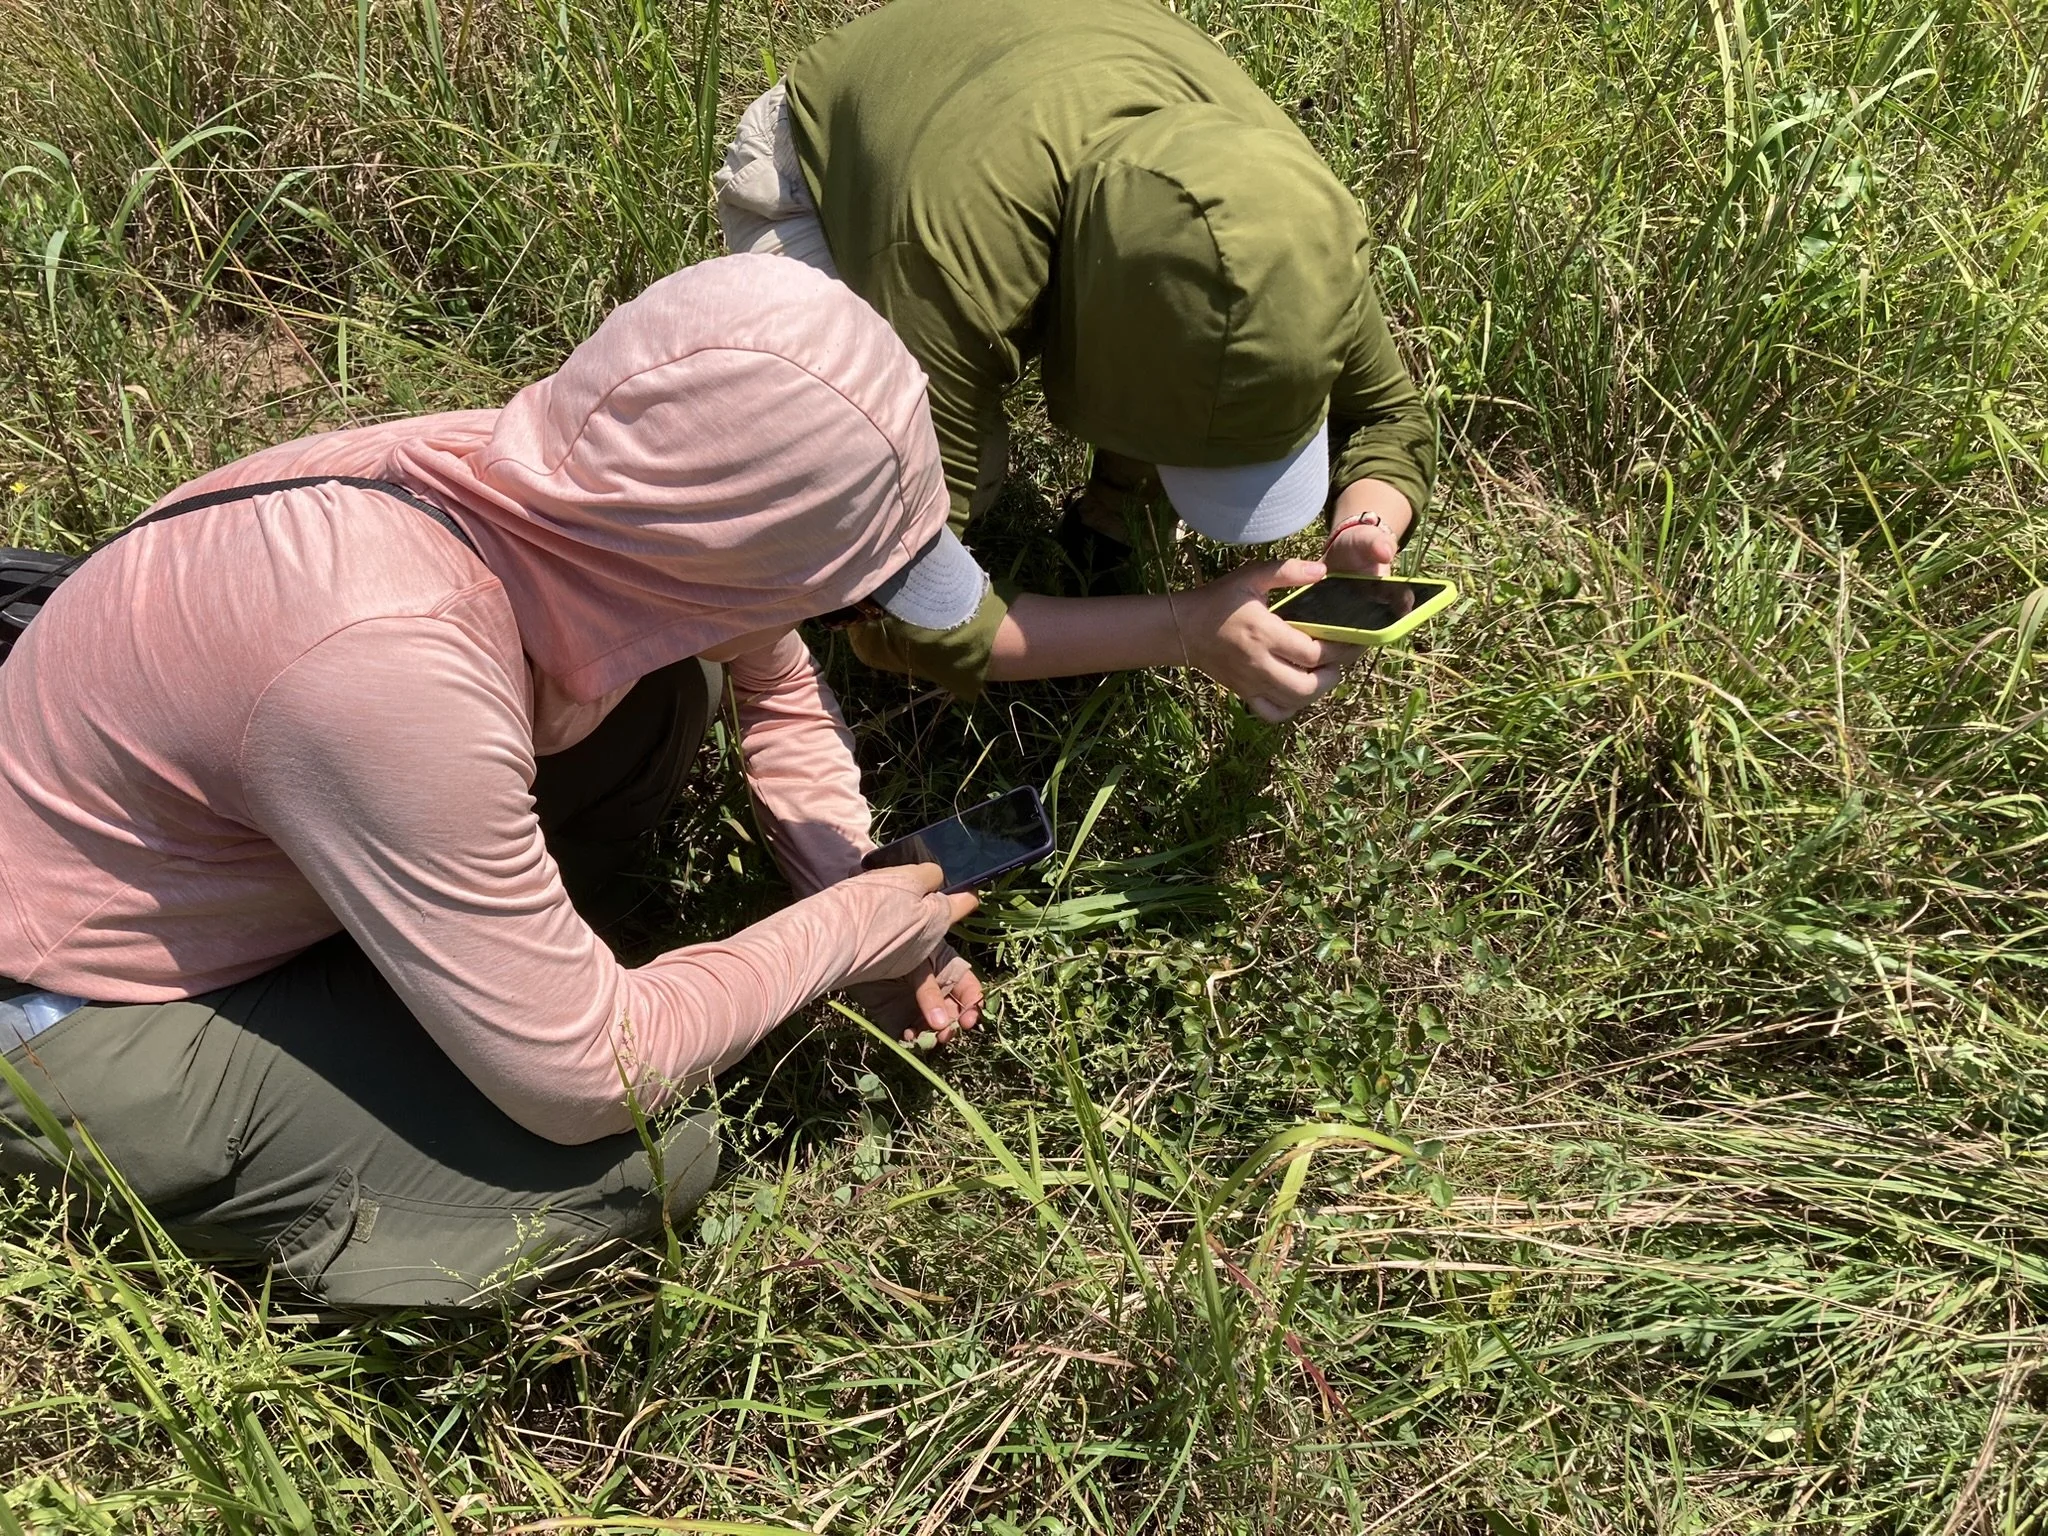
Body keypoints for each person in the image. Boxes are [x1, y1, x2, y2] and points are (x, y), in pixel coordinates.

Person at [0, 256, 998, 1309]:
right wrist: (840, 936)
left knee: (677, 682)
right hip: (76, 1003)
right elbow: (589, 1084)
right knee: (634, 1160)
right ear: (722, 560)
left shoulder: (574, 482)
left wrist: (855, 882)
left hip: (258, 831)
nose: (841, 630)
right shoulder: (386, 665)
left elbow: (770, 666)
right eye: (848, 604)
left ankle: (464, 978)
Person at [714, 0, 1439, 722]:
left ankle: (1108, 523)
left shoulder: (1285, 221)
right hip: (818, 160)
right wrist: (1182, 629)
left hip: (1025, 81)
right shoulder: (950, 272)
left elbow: (1389, 413)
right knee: (938, 482)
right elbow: (893, 613)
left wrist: (1365, 527)